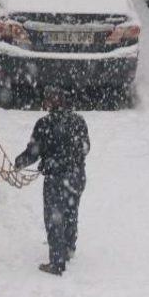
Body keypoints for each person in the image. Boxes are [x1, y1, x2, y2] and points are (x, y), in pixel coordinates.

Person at [14, 86, 90, 276]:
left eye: (48, 98)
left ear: (52, 102)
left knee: (54, 217)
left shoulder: (44, 124)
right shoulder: (79, 121)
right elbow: (86, 147)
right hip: (76, 177)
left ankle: (57, 262)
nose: (45, 102)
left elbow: (33, 152)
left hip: (56, 179)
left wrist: (19, 163)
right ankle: (69, 248)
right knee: (71, 212)